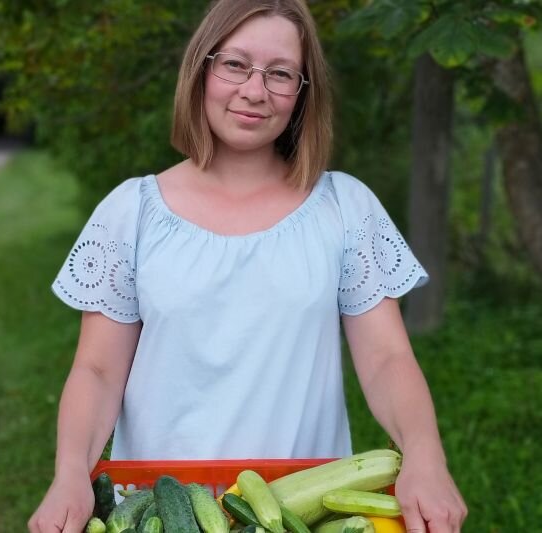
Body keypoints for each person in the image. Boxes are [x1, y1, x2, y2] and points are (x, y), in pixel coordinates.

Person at [28, 1, 467, 532]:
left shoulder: (345, 207)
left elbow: (388, 360)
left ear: (303, 92)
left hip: (301, 509)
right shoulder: (131, 212)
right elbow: (97, 371)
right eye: (235, 64)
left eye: (280, 73)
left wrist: (426, 458)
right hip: (161, 510)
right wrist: (71, 472)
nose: (255, 91)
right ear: (201, 69)